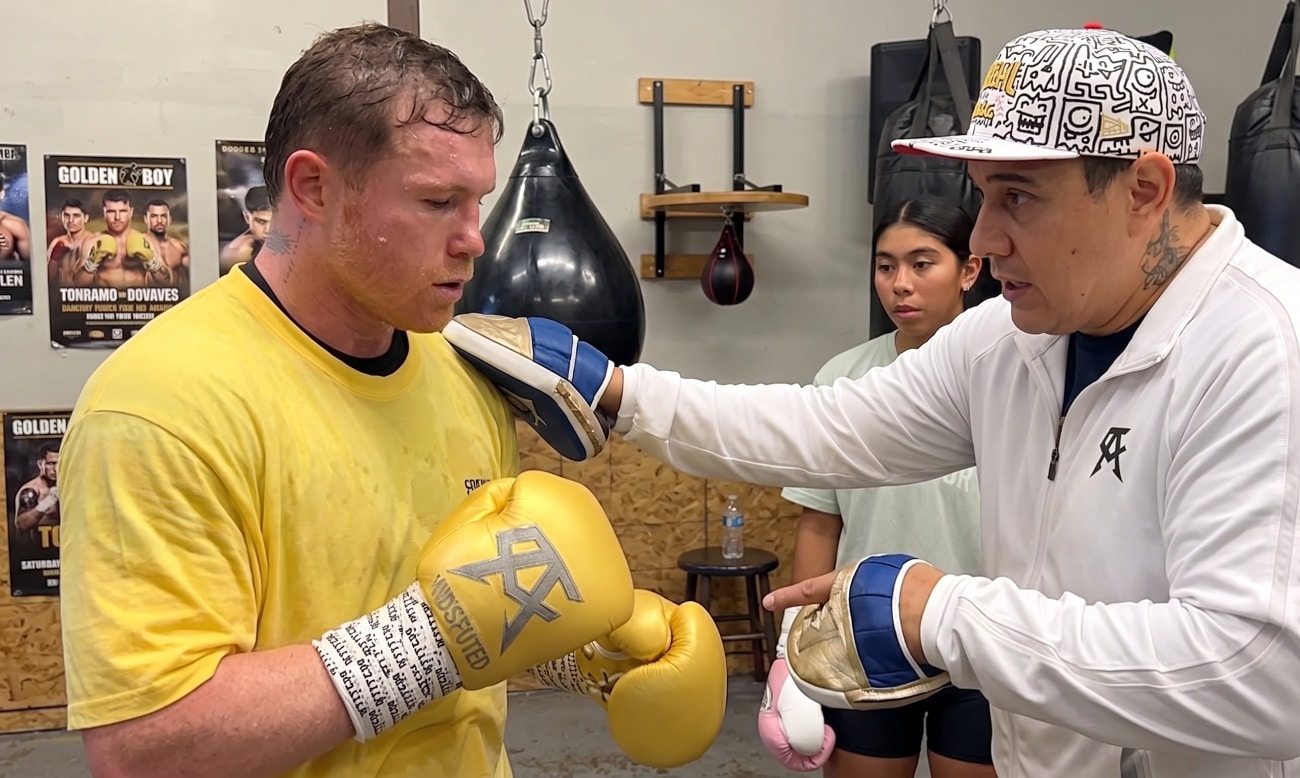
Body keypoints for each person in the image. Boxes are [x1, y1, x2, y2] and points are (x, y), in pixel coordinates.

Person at [446, 27, 1300, 778]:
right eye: (983, 195)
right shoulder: (1011, 339)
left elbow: (1263, 674)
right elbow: (829, 427)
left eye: (1018, 196)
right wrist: (622, 393)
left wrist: (938, 613)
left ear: (1144, 190)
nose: (987, 236)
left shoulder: (1265, 350)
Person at [57, 22, 726, 778]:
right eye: (438, 200)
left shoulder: (463, 369)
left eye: (477, 201)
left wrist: (582, 651)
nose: (474, 239)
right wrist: (431, 643)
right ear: (313, 189)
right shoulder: (161, 407)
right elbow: (144, 747)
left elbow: (452, 620)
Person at [760, 197, 994, 778]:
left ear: (969, 270)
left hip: (980, 635)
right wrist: (795, 646)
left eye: (922, 264)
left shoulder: (1007, 375)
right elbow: (821, 521)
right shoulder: (843, 380)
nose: (900, 284)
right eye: (886, 266)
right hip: (863, 640)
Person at [70, 189, 173, 288]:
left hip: (136, 299)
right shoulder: (93, 242)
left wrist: (151, 261)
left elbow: (165, 282)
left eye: (122, 211)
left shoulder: (147, 241)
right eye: (111, 211)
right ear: (104, 212)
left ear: (131, 212)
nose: (117, 217)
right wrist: (92, 262)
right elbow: (78, 283)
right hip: (107, 299)